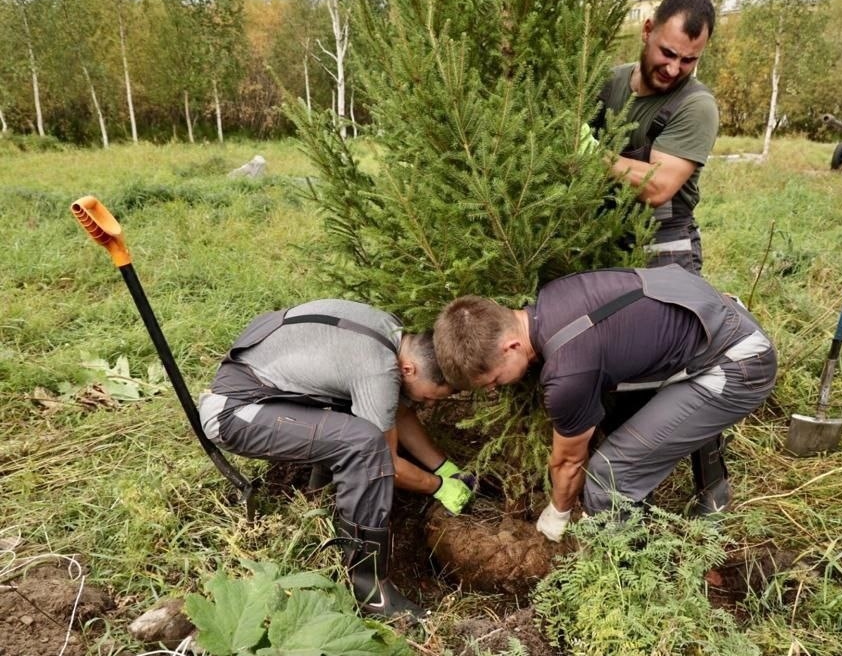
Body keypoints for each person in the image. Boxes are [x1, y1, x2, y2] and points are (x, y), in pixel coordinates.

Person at [432, 265, 776, 542]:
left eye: (493, 380)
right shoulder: (553, 297)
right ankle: (646, 513)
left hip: (738, 363)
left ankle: (625, 572)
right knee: (624, 430)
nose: (495, 389)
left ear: (510, 346)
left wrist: (558, 512)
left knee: (610, 473)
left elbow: (568, 461)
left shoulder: (566, 375)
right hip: (714, 318)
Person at [197, 299, 474, 618]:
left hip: (264, 384)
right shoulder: (379, 368)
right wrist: (438, 486)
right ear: (409, 369)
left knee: (363, 423)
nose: (425, 404)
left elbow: (395, 411)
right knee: (365, 446)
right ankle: (368, 586)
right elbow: (388, 463)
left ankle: (320, 491)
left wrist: (446, 468)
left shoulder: (390, 331)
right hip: (236, 412)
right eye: (428, 396)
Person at [587, 0, 718, 275]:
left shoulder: (696, 106)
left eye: (688, 60)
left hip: (663, 249)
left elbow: (657, 186)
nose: (673, 69)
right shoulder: (607, 82)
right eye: (668, 53)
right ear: (647, 31)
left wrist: (591, 155)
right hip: (601, 241)